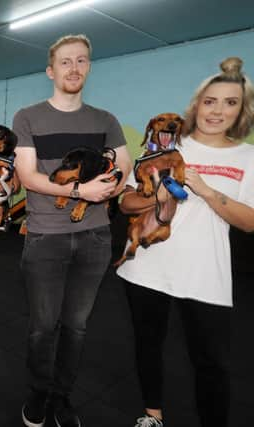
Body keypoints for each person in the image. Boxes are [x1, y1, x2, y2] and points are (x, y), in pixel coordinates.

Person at [117, 57, 254, 427]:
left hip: (205, 273)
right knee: (149, 346)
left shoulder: (247, 157)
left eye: (230, 102)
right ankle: (152, 415)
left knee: (211, 363)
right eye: (210, 101)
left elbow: (250, 222)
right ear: (197, 105)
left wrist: (208, 192)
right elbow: (125, 201)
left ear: (242, 110)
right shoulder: (163, 146)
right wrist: (155, 197)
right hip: (146, 268)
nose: (217, 111)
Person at [13, 34, 131, 427]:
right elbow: (28, 176)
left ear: (89, 68)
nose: (74, 68)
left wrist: (109, 187)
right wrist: (80, 189)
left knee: (76, 327)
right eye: (65, 62)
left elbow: (124, 167)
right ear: (51, 70)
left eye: (81, 61)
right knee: (43, 326)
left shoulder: (105, 120)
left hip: (95, 237)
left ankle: (63, 397)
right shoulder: (27, 117)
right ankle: (39, 393)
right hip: (45, 235)